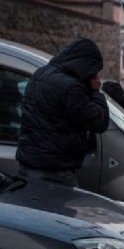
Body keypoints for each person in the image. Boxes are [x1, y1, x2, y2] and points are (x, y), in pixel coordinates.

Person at [16, 38, 109, 187]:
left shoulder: (40, 74)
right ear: (86, 66)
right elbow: (99, 121)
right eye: (94, 71)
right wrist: (96, 91)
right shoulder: (71, 88)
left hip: (28, 163)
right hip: (54, 171)